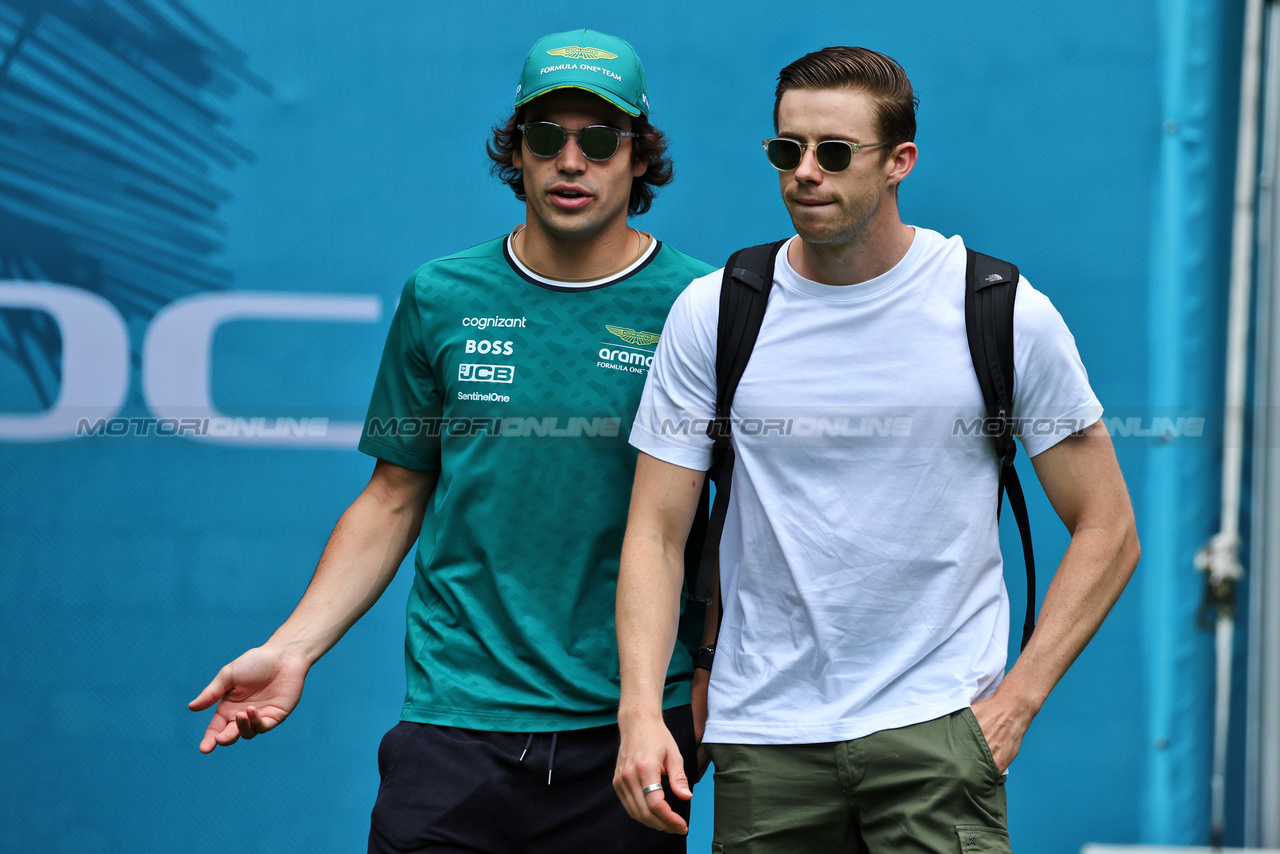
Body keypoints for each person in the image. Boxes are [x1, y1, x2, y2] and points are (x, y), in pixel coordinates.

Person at [190, 28, 713, 854]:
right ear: (518, 152)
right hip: (455, 724)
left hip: (629, 729)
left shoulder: (699, 305)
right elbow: (395, 494)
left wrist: (703, 688)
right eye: (546, 138)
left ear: (639, 157)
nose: (570, 161)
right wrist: (291, 649)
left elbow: (730, 523)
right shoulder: (441, 296)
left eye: (600, 139)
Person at [612, 45, 1141, 852]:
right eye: (786, 151)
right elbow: (655, 531)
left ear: (901, 162)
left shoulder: (997, 308)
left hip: (938, 737)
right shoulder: (716, 311)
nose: (805, 173)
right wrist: (643, 711)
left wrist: (1015, 705)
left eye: (833, 153)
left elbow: (1108, 527)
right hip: (766, 737)